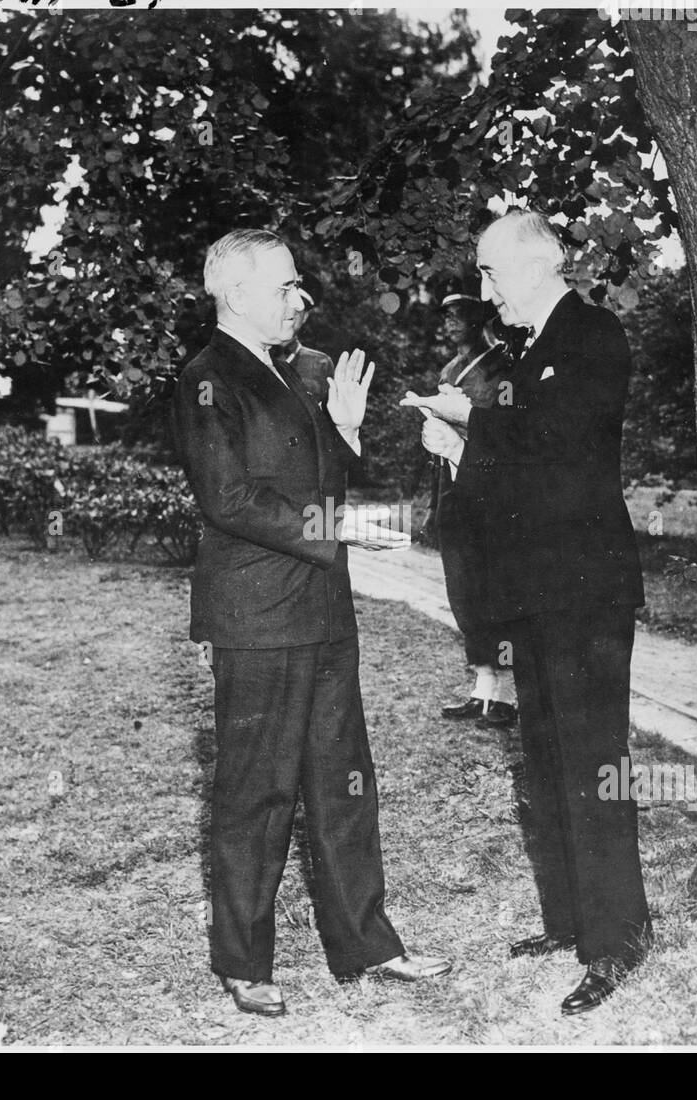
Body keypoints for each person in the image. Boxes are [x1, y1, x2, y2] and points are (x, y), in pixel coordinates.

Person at [171, 229, 453, 1018]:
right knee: (256, 791)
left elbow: (314, 471)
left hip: (323, 608)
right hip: (256, 616)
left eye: (300, 286)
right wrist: (343, 525)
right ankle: (243, 959)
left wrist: (347, 431)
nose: (300, 300)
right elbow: (227, 499)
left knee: (343, 783)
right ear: (233, 293)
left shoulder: (305, 371)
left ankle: (367, 944)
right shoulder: (205, 380)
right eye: (286, 287)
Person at [403, 211, 650, 1016]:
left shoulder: (592, 336)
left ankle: (618, 942)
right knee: (544, 759)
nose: (484, 289)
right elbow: (520, 474)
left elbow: (559, 440)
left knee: (593, 760)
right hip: (537, 593)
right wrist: (461, 454)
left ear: (538, 264)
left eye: (491, 272)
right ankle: (571, 923)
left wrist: (468, 428)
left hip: (588, 594)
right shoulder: (525, 351)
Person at [428, 293, 517, 730]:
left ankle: (506, 696)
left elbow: (504, 432)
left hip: (493, 497)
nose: (447, 322)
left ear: (481, 319)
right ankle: (482, 692)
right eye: (444, 315)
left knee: (494, 592)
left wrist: (457, 416)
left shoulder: (501, 367)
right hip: (453, 491)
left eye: (456, 315)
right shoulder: (449, 369)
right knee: (463, 591)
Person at [272, 270, 334, 399]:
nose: (290, 311)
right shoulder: (253, 349)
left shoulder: (319, 364)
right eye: (286, 303)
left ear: (305, 316)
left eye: (298, 308)